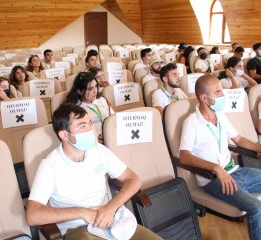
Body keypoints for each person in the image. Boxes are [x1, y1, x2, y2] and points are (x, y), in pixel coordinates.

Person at [26, 103, 162, 240]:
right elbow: (32, 215)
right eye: (82, 126)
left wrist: (111, 207)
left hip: (111, 219)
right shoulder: (50, 165)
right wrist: (81, 212)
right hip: (78, 229)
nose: (91, 130)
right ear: (64, 135)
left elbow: (133, 179)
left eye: (89, 123)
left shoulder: (99, 151)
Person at [179, 75, 261, 240]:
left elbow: (238, 139)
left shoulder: (220, 115)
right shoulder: (191, 122)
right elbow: (184, 156)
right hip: (214, 180)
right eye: (218, 93)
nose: (223, 96)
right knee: (256, 208)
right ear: (204, 98)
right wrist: (216, 168)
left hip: (235, 171)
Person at [65, 72, 111, 143]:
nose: (95, 91)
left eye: (96, 86)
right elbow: (76, 134)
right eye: (90, 89)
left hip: (110, 137)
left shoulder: (101, 99)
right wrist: (92, 138)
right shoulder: (75, 109)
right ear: (80, 91)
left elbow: (112, 118)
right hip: (91, 142)